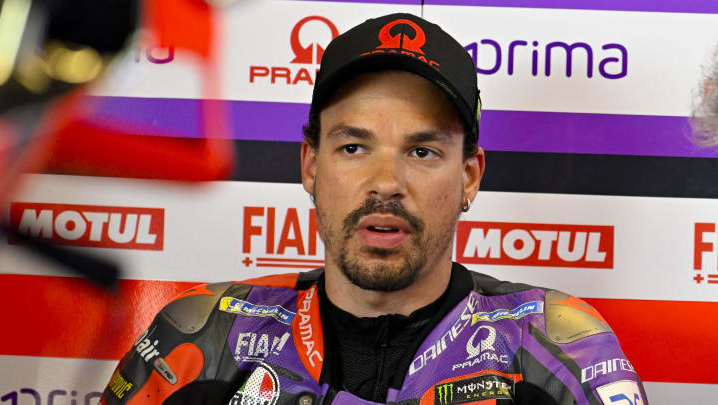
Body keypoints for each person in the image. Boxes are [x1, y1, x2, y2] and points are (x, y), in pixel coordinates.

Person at [100, 13, 648, 405]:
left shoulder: (557, 352)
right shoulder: (200, 339)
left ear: (469, 176)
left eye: (422, 151)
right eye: (354, 147)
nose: (386, 182)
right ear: (311, 165)